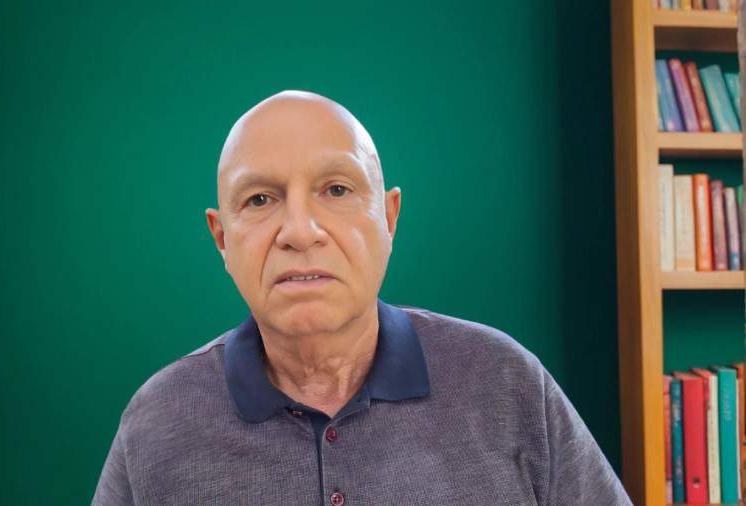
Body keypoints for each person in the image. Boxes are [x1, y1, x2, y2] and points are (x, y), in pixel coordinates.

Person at [92, 90, 632, 505]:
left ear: (389, 218)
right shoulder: (157, 420)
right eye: (259, 199)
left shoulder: (508, 382)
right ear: (222, 239)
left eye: (336, 190)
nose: (299, 231)